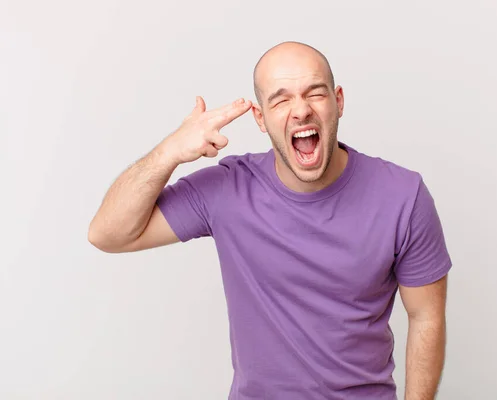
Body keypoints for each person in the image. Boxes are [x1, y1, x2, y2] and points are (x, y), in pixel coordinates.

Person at [88, 41, 452, 400]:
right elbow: (108, 234)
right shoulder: (227, 188)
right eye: (281, 99)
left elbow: (426, 318)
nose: (301, 111)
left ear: (338, 101)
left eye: (316, 93)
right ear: (260, 118)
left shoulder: (403, 195)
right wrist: (169, 152)